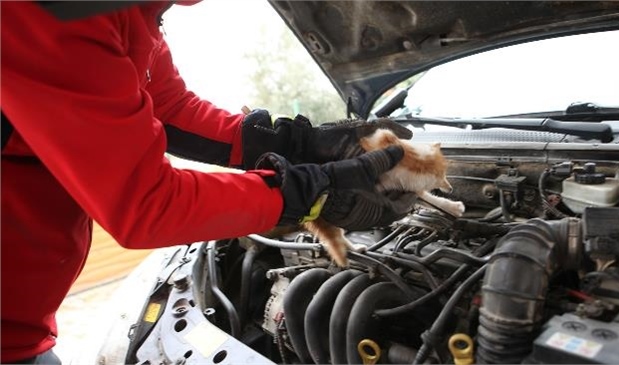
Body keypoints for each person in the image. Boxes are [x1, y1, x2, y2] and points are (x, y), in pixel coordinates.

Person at [0, 1, 417, 363]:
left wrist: (298, 143)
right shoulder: (56, 10)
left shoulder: (128, 11)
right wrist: (308, 194)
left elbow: (169, 107)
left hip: (21, 332)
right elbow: (146, 204)